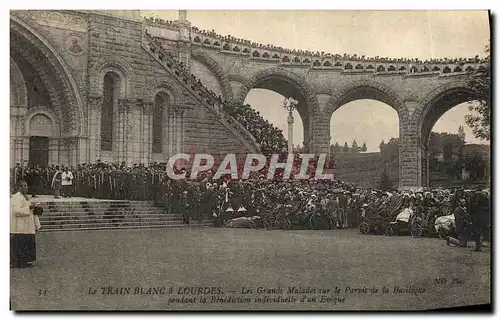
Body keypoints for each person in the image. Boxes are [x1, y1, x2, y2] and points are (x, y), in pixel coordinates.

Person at [10, 180, 41, 268]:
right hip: (20, 225)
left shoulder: (25, 197)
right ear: (19, 188)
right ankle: (19, 262)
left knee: (26, 242)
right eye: (24, 186)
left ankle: (26, 260)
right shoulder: (17, 197)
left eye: (26, 185)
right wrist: (29, 207)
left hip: (26, 224)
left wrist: (33, 208)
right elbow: (16, 211)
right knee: (21, 243)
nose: (26, 187)